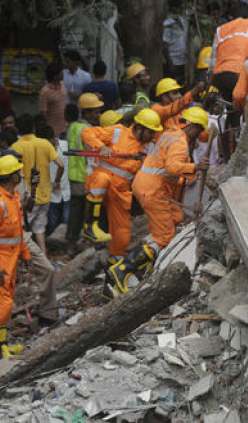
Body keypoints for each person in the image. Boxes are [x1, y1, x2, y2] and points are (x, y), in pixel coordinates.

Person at [108, 108, 209, 296]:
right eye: (199, 130)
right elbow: (172, 168)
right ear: (194, 126)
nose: (198, 135)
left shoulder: (170, 134)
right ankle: (122, 269)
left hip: (147, 184)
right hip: (153, 190)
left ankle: (117, 283)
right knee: (164, 235)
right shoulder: (180, 142)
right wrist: (195, 166)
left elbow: (164, 167)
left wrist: (186, 177)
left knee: (174, 218)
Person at [80, 109, 162, 257]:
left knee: (122, 237)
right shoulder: (118, 132)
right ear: (139, 128)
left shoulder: (149, 147)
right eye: (150, 132)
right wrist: (101, 146)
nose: (153, 135)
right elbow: (87, 133)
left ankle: (116, 262)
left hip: (121, 192)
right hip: (101, 182)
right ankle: (90, 225)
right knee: (102, 179)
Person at [0, 155, 30, 361]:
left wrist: (25, 254)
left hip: (10, 260)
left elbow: (18, 232)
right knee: (3, 306)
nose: (21, 174)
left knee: (3, 304)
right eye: (18, 172)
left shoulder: (13, 198)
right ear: (13, 177)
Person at [10, 115, 64, 254]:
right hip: (45, 195)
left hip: (26, 198)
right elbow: (61, 165)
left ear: (17, 128)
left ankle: (24, 259)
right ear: (33, 127)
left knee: (23, 230)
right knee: (40, 229)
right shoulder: (44, 143)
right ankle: (43, 256)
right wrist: (57, 182)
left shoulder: (15, 147)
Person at [66, 95, 103, 257]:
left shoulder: (73, 126)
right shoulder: (87, 130)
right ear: (86, 113)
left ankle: (72, 244)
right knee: (87, 211)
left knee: (76, 211)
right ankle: (86, 243)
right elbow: (92, 155)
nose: (98, 115)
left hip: (74, 175)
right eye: (96, 112)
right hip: (85, 176)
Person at [208, 2, 248, 104]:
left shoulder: (220, 29)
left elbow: (213, 59)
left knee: (228, 103)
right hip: (240, 74)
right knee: (241, 106)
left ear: (231, 17)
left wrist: (210, 80)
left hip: (220, 75)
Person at [162, 0, 189, 82]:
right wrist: (170, 63)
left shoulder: (183, 21)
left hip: (182, 60)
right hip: (173, 62)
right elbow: (164, 45)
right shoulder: (168, 24)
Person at [39, 62, 68, 136]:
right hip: (53, 131)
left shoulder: (62, 84)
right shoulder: (45, 91)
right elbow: (43, 113)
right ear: (55, 76)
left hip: (65, 128)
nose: (63, 74)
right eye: (61, 72)